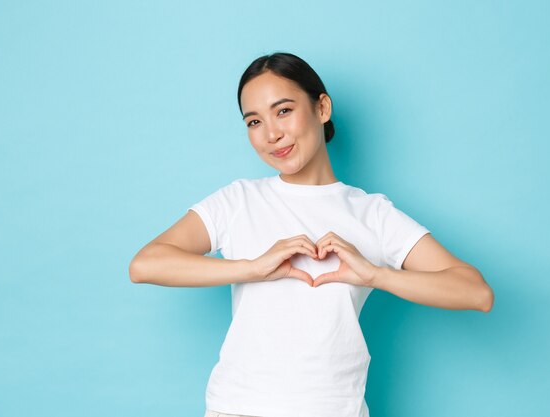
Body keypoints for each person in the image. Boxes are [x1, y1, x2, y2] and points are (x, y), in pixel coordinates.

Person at [129, 51, 495, 417]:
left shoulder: (372, 214)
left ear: (322, 108)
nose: (271, 134)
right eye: (254, 121)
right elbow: (146, 265)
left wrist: (376, 275)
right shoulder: (239, 200)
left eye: (283, 111)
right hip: (237, 408)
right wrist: (252, 268)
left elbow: (475, 292)